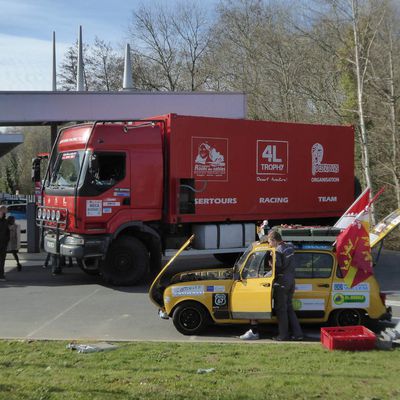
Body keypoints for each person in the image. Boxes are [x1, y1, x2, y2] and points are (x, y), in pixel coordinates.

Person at [267, 230, 303, 341]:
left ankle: (283, 336)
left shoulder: (278, 251)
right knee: (289, 309)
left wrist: (271, 264)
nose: (270, 244)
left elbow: (277, 269)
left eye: (270, 242)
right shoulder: (290, 247)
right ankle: (298, 334)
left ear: (274, 240)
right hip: (291, 282)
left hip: (281, 283)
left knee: (281, 311)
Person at [0, 205, 10, 281]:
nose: (6, 211)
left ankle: (2, 275)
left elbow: (7, 232)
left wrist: (7, 240)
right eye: (5, 210)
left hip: (3, 243)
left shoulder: (5, 221)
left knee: (2, 260)